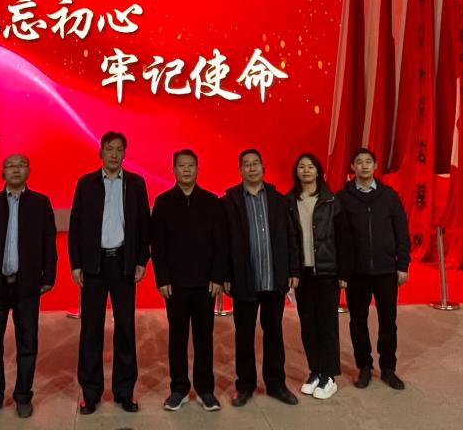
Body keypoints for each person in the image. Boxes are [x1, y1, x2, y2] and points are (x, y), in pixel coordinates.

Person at [0, 153, 57, 419]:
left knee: (27, 345)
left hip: (27, 287)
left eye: (21, 165)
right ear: (3, 173)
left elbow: (48, 242)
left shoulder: (41, 203)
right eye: (10, 165)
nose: (16, 169)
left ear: (28, 171)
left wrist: (48, 277)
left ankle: (23, 396)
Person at [68, 131, 150, 414]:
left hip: (124, 264)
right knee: (91, 329)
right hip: (94, 265)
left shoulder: (136, 184)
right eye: (109, 148)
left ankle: (124, 391)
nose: (114, 154)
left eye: (119, 149)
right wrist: (76, 264)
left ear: (124, 153)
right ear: (100, 152)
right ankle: (90, 393)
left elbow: (144, 224)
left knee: (125, 328)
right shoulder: (86, 183)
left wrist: (141, 260)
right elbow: (76, 225)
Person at [221, 148, 300, 407]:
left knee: (274, 333)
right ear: (240, 170)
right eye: (247, 164)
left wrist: (293, 271)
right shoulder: (229, 202)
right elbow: (222, 243)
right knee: (244, 335)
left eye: (256, 163)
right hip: (245, 279)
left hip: (274, 279)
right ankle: (245, 386)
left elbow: (291, 237)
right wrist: (224, 274)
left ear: (263, 168)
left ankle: (276, 384)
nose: (252, 168)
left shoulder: (279, 200)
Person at [150, 149, 228, 412]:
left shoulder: (211, 201)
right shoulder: (163, 202)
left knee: (205, 338)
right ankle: (179, 389)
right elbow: (158, 245)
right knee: (177, 338)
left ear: (197, 169)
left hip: (206, 285)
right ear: (173, 170)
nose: (186, 170)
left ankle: (205, 390)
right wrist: (162, 279)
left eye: (191, 165)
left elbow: (220, 244)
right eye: (181, 166)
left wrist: (217, 277)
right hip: (175, 285)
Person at [339, 147, 410, 391]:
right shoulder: (343, 197)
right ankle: (364, 366)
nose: (364, 166)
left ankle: (388, 368)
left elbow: (401, 232)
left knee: (388, 321)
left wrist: (402, 265)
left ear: (375, 166)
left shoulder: (389, 196)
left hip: (385, 270)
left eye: (368, 161)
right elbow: (340, 237)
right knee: (358, 321)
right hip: (356, 273)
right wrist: (343, 271)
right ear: (353, 167)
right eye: (359, 162)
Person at [286, 153, 353, 400]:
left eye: (310, 166)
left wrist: (344, 272)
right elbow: (288, 240)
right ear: (296, 172)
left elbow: (344, 238)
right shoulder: (289, 201)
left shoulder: (332, 201)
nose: (306, 170)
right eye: (301, 167)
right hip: (303, 274)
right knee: (308, 325)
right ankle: (315, 370)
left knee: (327, 325)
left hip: (327, 272)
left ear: (318, 172)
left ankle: (329, 376)